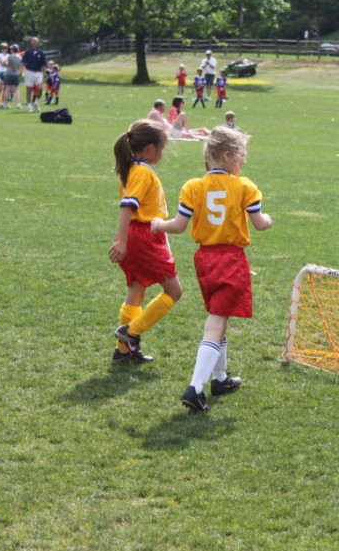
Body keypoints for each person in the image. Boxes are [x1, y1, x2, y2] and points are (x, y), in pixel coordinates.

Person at [151, 126, 273, 411]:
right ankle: (195, 387)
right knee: (216, 322)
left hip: (204, 259)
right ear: (228, 155)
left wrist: (159, 224)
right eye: (241, 156)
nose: (243, 162)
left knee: (220, 316)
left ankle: (220, 379)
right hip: (230, 258)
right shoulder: (245, 187)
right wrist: (267, 219)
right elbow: (259, 223)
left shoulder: (193, 186)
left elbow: (179, 226)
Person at [109, 119, 182, 365]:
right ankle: (130, 332)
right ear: (150, 149)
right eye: (162, 148)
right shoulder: (141, 171)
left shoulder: (135, 169)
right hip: (143, 236)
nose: (162, 154)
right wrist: (121, 241)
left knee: (136, 291)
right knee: (174, 291)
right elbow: (127, 205)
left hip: (138, 235)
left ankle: (123, 350)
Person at [22, 36, 47, 113]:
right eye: (33, 42)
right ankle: (29, 105)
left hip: (38, 72)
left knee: (40, 89)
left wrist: (44, 74)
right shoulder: (28, 52)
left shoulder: (41, 53)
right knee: (29, 90)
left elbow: (43, 65)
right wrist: (20, 71)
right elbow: (23, 62)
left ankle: (36, 102)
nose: (35, 43)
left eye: (36, 42)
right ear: (31, 43)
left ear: (38, 43)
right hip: (29, 72)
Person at [2, 44, 22, 110]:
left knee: (7, 90)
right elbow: (19, 66)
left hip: (9, 74)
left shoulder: (10, 56)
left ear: (12, 50)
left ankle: (5, 104)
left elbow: (4, 63)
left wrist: (7, 65)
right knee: (16, 90)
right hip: (16, 74)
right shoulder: (20, 57)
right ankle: (18, 104)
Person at [0, 42, 9, 107]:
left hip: (7, 73)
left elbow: (8, 65)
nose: (4, 49)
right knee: (0, 88)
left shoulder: (8, 55)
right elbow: (2, 64)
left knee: (5, 88)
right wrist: (6, 60)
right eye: (2, 48)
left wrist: (6, 63)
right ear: (1, 49)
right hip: (1, 73)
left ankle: (3, 103)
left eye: (5, 48)